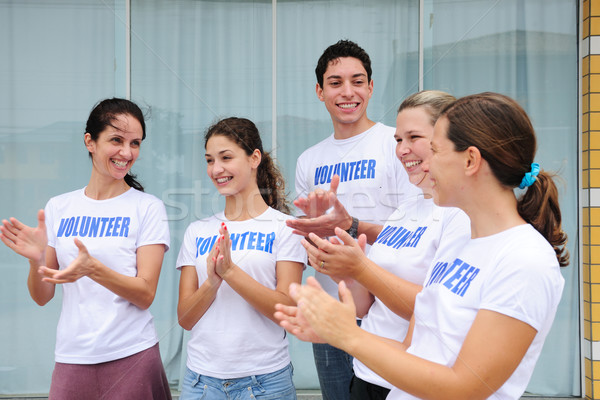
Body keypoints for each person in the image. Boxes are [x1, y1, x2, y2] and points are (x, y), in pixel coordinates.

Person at [276, 92, 568, 400]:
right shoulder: (463, 246)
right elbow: (414, 350)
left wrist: (349, 335)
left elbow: (465, 387)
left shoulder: (525, 259)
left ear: (470, 160)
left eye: (436, 150)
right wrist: (337, 333)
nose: (423, 161)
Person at [293, 90, 471, 400]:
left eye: (413, 137)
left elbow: (437, 311)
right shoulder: (406, 208)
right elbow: (366, 306)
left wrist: (360, 268)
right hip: (367, 374)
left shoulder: (462, 216)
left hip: (410, 382)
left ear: (446, 139)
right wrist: (344, 268)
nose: (402, 150)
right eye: (398, 140)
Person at [0, 98, 172, 399]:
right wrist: (36, 260)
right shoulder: (60, 207)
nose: (127, 152)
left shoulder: (148, 208)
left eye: (135, 143)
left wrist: (93, 269)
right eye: (116, 140)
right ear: (90, 141)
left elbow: (145, 294)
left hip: (132, 355)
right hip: (72, 358)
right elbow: (43, 296)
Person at [292, 39, 420, 400]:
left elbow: (412, 236)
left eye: (357, 81)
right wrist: (313, 242)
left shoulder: (395, 147)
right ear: (320, 91)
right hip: (330, 308)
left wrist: (350, 227)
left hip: (386, 309)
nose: (347, 92)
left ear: (371, 86)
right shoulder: (309, 160)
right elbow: (310, 239)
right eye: (335, 83)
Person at [176, 117, 306, 400]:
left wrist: (231, 273)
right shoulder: (197, 231)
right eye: (210, 160)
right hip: (200, 384)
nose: (216, 169)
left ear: (254, 158)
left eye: (226, 157)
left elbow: (287, 311)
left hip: (264, 383)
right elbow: (185, 318)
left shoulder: (285, 229)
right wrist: (212, 283)